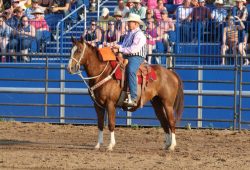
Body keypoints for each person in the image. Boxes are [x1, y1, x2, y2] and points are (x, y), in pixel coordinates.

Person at [112, 13, 146, 107]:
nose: (128, 23)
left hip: (136, 57)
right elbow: (124, 45)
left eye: (130, 22)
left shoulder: (140, 35)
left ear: (136, 23)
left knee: (131, 70)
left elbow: (134, 49)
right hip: (127, 55)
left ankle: (134, 97)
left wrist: (120, 49)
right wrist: (117, 46)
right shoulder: (129, 34)